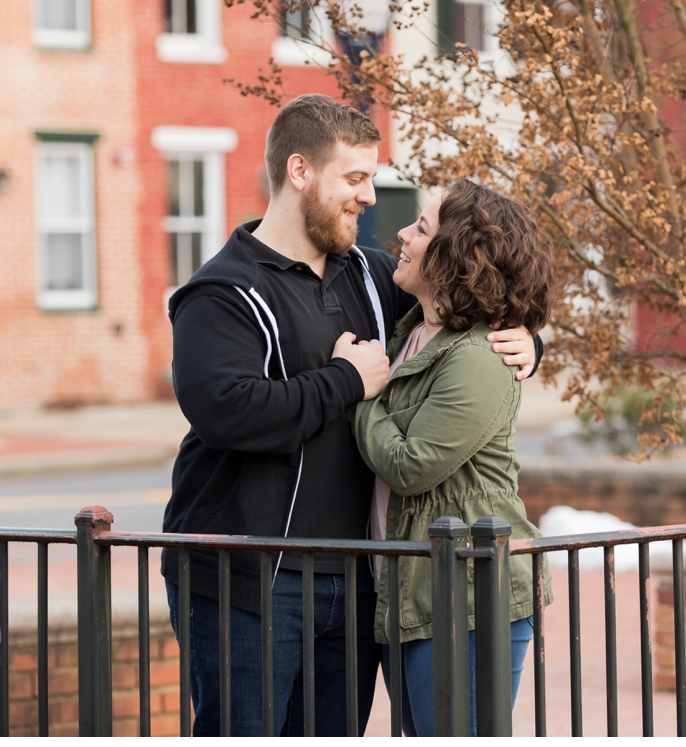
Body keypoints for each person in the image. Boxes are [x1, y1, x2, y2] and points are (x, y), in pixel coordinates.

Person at [160, 95, 542, 736]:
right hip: (249, 579)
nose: (370, 196)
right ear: (300, 171)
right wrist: (346, 380)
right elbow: (227, 411)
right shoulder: (220, 294)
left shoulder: (368, 273)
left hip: (356, 578)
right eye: (356, 178)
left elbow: (466, 294)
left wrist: (527, 338)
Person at [354, 179, 557, 737]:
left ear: (457, 257)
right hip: (416, 592)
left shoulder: (477, 357)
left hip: (467, 597)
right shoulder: (413, 332)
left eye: (420, 228)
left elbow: (409, 465)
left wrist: (361, 392)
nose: (400, 233)